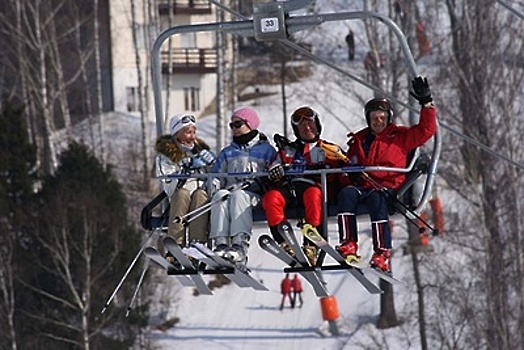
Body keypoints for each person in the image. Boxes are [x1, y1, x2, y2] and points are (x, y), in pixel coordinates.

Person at [336, 76, 437, 273]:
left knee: (376, 198)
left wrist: (426, 104)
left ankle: (382, 251)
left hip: (388, 187)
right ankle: (349, 242)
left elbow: (426, 130)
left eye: (382, 117)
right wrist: (351, 177)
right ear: (368, 119)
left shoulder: (400, 138)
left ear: (388, 118)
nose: (378, 121)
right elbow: (347, 167)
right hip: (362, 186)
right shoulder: (358, 141)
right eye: (374, 117)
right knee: (346, 193)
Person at [262, 106, 348, 266]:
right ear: (296, 130)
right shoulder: (287, 151)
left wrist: (333, 172)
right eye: (302, 127)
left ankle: (311, 245)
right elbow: (273, 169)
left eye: (310, 124)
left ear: (317, 125)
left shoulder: (329, 149)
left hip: (314, 188)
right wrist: (275, 174)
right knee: (271, 197)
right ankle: (285, 242)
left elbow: (345, 172)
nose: (307, 128)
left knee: (313, 194)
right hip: (291, 189)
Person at [208, 107, 277, 267]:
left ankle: (240, 246)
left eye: (237, 124)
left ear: (250, 124)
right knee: (220, 196)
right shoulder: (228, 152)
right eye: (231, 125)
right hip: (231, 195)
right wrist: (213, 187)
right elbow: (216, 175)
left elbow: (274, 175)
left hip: (254, 197)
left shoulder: (266, 150)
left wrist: (262, 181)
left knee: (240, 195)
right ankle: (221, 244)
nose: (234, 129)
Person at [155, 113, 215, 252]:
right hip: (179, 196)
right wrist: (184, 171)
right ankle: (176, 244)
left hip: (199, 193)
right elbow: (168, 185)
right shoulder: (167, 156)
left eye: (194, 132)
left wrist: (212, 164)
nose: (192, 136)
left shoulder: (200, 151)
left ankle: (197, 244)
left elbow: (216, 179)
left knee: (201, 195)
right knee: (182, 194)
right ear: (176, 134)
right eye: (188, 132)